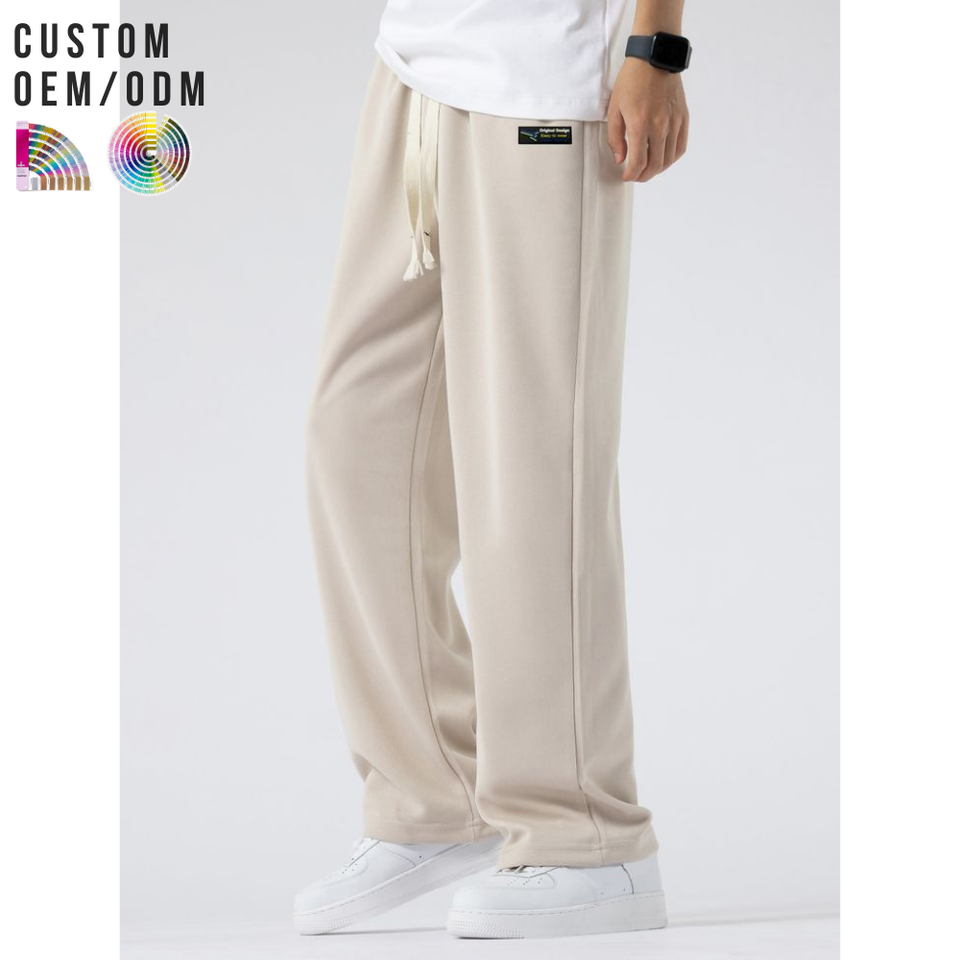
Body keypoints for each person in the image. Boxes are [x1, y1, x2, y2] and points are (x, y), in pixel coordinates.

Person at [296, 0, 691, 940]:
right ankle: (433, 799)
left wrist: (657, 49)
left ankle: (587, 835)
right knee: (357, 435)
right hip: (415, 70)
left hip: (547, 84)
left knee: (529, 466)